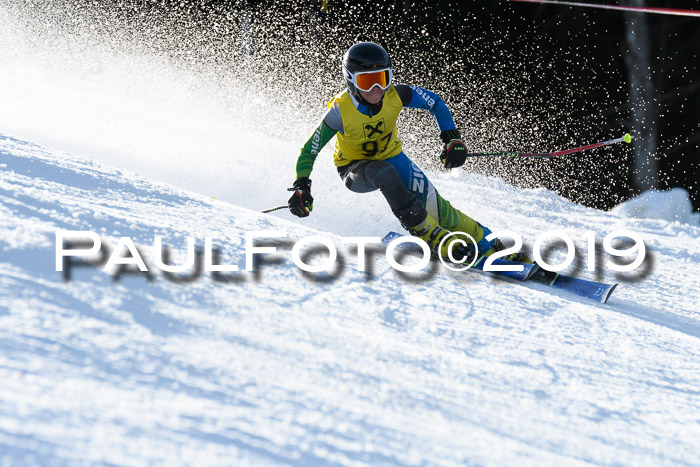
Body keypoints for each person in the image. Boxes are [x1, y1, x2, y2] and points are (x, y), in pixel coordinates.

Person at [288, 41, 528, 264]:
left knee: (442, 211)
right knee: (385, 173)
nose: (376, 88)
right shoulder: (339, 111)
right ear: (351, 81)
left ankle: (492, 244)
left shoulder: (396, 95)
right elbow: (309, 150)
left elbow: (435, 102)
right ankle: (429, 234)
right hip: (354, 170)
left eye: (382, 78)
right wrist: (302, 186)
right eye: (366, 82)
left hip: (393, 158)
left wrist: (451, 138)